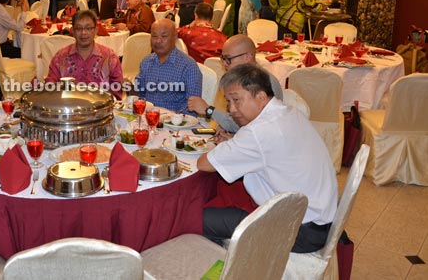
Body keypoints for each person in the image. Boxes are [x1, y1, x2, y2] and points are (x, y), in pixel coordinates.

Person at [197, 64, 337, 253]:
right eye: (228, 102)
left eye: (237, 100)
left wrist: (231, 145)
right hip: (320, 218)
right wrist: (234, 142)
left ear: (261, 97)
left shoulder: (258, 132)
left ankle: (229, 268)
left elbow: (204, 164)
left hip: (298, 231)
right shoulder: (288, 112)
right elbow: (270, 151)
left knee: (199, 218)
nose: (231, 109)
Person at [188, 34, 283, 134]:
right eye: (223, 59)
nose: (224, 64)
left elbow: (244, 127)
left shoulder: (265, 84)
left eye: (228, 59)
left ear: (247, 57)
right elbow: (231, 118)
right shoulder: (238, 78)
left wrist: (209, 110)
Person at [45, 10, 123, 98]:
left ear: (96, 30)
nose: (83, 33)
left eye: (88, 28)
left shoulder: (109, 57)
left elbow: (117, 92)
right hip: (68, 108)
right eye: (78, 28)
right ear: (73, 31)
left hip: (102, 109)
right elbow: (50, 88)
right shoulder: (60, 57)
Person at [134, 19, 201, 114]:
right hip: (149, 118)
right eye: (154, 36)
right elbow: (140, 94)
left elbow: (193, 107)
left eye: (164, 36)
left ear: (175, 37)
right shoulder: (146, 62)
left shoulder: (188, 66)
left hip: (175, 124)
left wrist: (172, 119)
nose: (158, 41)